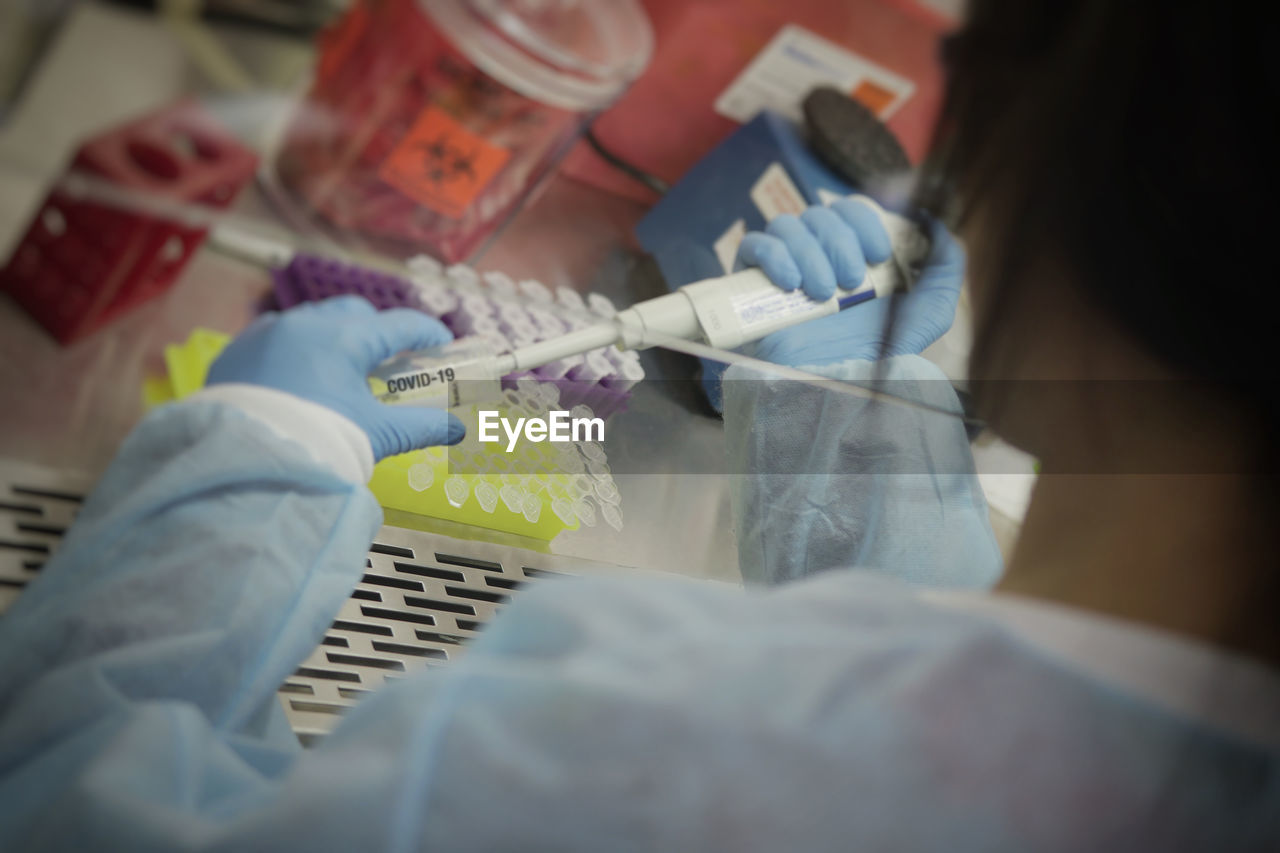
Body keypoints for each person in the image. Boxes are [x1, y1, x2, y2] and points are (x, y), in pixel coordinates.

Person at [2, 0, 1277, 848]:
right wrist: (845, 404)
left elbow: (59, 807)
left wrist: (258, 453)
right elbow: (964, 665)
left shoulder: (641, 748)